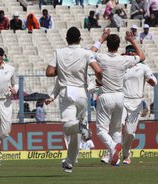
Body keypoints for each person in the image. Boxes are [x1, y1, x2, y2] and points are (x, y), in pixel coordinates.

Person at [44, 27, 103, 173]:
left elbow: (49, 72)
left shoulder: (59, 52)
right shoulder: (86, 52)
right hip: (82, 94)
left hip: (67, 92)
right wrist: (100, 81)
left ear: (66, 39)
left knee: (68, 127)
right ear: (80, 39)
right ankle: (69, 162)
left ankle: (81, 128)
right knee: (75, 130)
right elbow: (98, 71)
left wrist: (63, 70)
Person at [91, 30, 145, 166]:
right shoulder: (124, 59)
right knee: (115, 130)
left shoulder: (102, 57)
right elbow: (142, 57)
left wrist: (101, 38)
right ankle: (116, 159)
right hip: (120, 97)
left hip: (105, 96)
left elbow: (89, 54)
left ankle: (112, 147)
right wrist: (133, 41)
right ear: (119, 45)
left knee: (101, 130)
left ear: (107, 45)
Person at [120, 45, 156, 164]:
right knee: (118, 126)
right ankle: (111, 152)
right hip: (122, 100)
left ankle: (126, 154)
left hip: (136, 102)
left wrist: (149, 80)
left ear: (136, 54)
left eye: (132, 52)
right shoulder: (121, 66)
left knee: (130, 132)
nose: (130, 54)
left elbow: (153, 82)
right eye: (128, 52)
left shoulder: (142, 67)